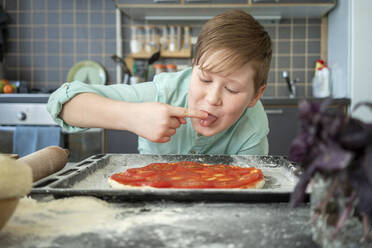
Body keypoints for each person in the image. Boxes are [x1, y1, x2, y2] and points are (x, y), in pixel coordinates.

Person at [47, 9, 272, 155]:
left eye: (232, 89)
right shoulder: (164, 93)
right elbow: (63, 104)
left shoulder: (253, 127)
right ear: (193, 68)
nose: (212, 98)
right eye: (204, 79)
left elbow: (248, 190)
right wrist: (131, 116)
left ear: (255, 96)